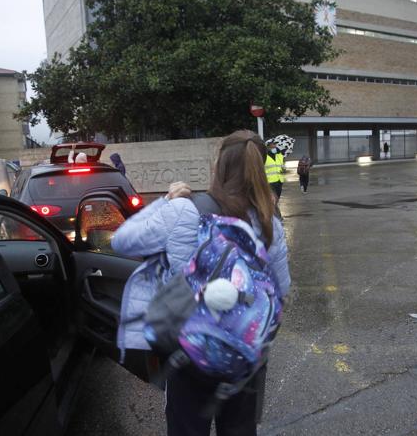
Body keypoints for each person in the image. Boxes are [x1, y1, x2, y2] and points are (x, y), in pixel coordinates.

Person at [111, 130, 291, 436]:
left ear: (218, 167)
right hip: (243, 351)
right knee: (239, 429)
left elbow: (121, 242)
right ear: (259, 171)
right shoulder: (268, 222)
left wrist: (164, 202)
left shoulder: (184, 209)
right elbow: (281, 289)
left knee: (186, 428)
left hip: (188, 350)